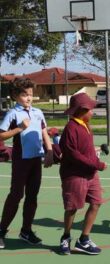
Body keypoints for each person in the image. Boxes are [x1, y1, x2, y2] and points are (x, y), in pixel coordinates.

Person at [0, 78, 53, 249]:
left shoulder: (38, 112)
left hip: (36, 160)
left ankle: (26, 230)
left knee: (32, 197)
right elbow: (1, 135)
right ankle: (1, 230)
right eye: (24, 95)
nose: (28, 98)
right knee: (16, 196)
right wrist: (19, 128)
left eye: (30, 94)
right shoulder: (12, 113)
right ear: (15, 95)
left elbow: (44, 131)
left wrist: (50, 151)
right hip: (20, 160)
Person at [58, 93, 107, 255]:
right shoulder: (71, 128)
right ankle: (66, 237)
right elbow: (73, 155)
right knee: (72, 208)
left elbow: (86, 150)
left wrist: (95, 155)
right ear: (83, 110)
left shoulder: (86, 125)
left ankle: (84, 240)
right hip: (74, 175)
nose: (93, 112)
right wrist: (97, 164)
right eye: (91, 109)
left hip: (90, 174)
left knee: (96, 202)